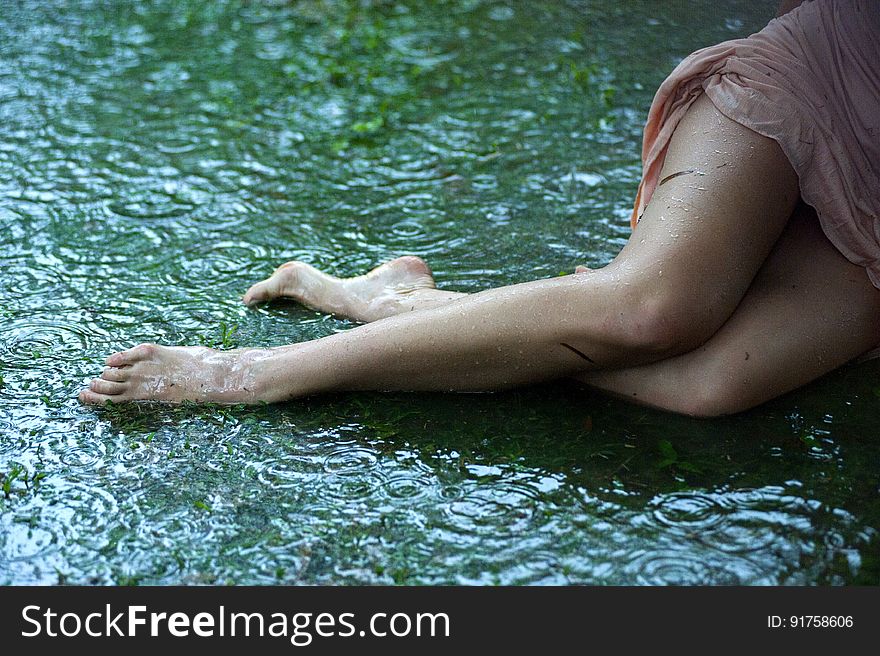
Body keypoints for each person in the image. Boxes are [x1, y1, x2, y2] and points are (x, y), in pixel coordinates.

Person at [79, 0, 880, 417]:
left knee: (709, 385)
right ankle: (253, 374)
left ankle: (393, 300)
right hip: (826, 78)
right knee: (655, 311)